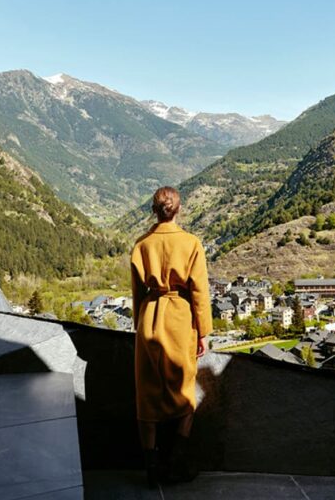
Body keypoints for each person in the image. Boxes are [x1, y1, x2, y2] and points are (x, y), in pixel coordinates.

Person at [130, 186, 212, 486]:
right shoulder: (191, 243)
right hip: (180, 318)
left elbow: (137, 292)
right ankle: (177, 460)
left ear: (154, 210)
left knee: (147, 394)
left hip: (150, 316)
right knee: (184, 390)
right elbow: (200, 292)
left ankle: (151, 467)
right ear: (178, 209)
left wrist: (139, 323)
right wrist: (204, 332)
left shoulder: (141, 245)